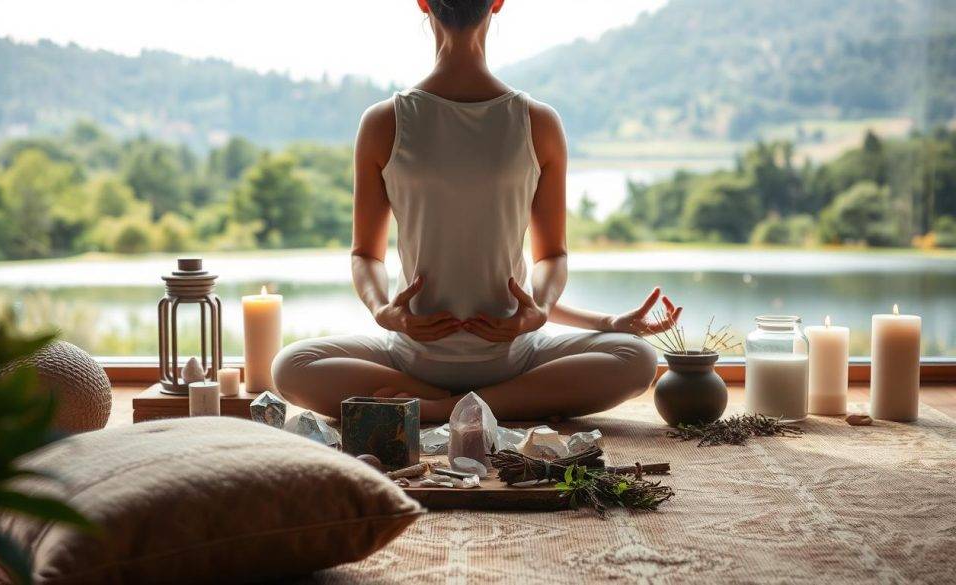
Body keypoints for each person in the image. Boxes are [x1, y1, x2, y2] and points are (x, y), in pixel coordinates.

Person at [273, 0, 681, 422]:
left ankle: (435, 409)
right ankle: (492, 404)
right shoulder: (397, 121)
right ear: (498, 3)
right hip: (424, 359)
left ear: (422, 3)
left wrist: (544, 312)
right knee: (291, 367)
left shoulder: (525, 121)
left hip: (510, 356)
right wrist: (384, 312)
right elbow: (552, 257)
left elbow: (366, 255)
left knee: (636, 358)